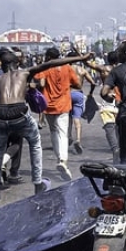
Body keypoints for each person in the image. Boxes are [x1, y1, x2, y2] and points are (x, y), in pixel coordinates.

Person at [0, 48, 92, 199]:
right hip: (18, 112)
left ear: (2, 65)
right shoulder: (25, 73)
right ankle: (38, 183)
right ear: (17, 62)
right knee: (35, 143)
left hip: (0, 113)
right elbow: (54, 63)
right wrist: (81, 58)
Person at [40, 46, 82, 180]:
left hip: (48, 105)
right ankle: (63, 160)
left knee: (53, 132)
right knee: (63, 133)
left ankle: (59, 158)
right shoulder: (67, 67)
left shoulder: (45, 67)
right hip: (63, 104)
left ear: (48, 57)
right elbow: (78, 85)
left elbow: (40, 83)